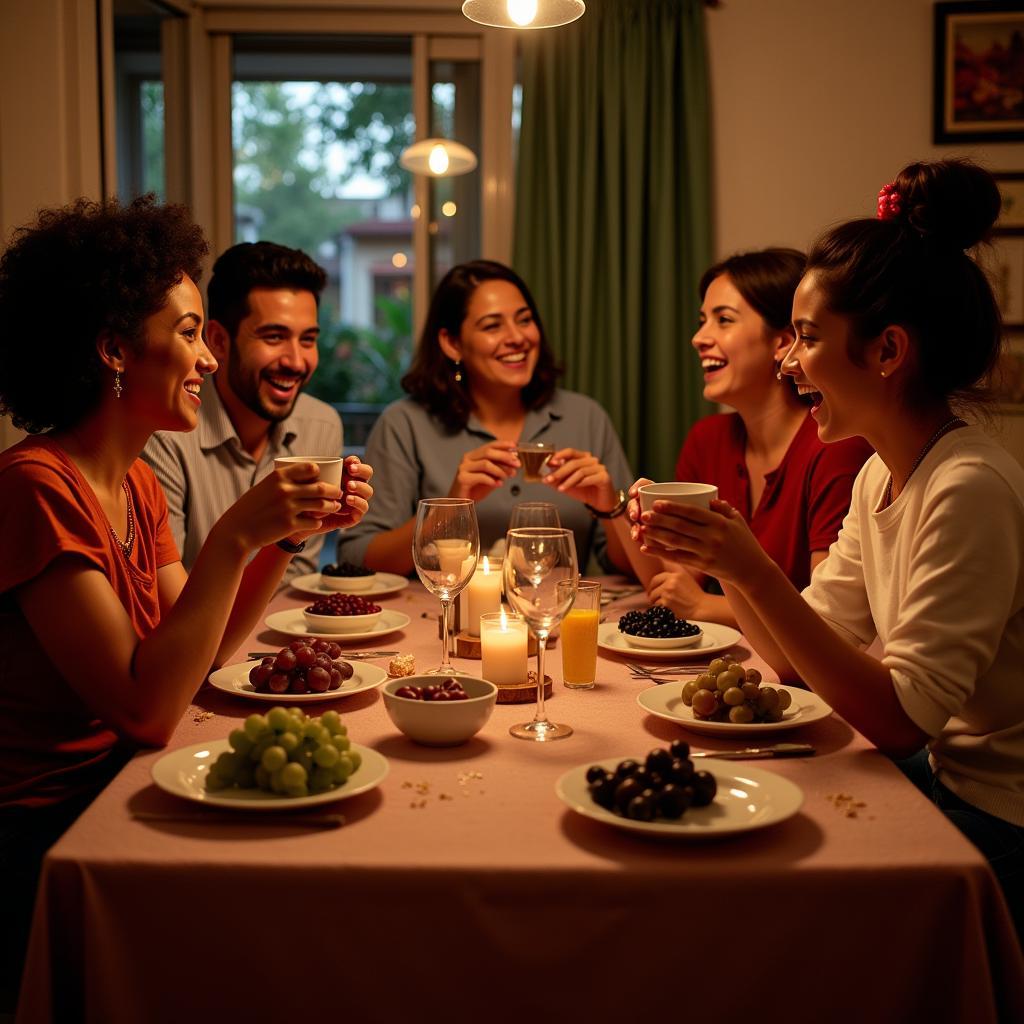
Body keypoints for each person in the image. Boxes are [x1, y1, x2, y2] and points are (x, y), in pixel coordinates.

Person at [632, 160, 1024, 929]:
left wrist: (744, 569)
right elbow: (794, 657)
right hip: (938, 778)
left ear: (886, 352)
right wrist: (726, 560)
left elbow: (904, 718)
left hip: (995, 814)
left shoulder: (968, 486)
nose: (786, 361)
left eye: (806, 339)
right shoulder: (883, 475)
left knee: (756, 899)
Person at [0, 196, 373, 1003]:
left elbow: (199, 654)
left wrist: (281, 535)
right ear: (113, 350)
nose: (208, 357)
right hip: (46, 831)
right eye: (188, 331)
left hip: (121, 782)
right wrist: (238, 534)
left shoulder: (131, 478)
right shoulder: (35, 488)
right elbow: (146, 706)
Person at [338, 259, 635, 575]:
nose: (516, 337)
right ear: (452, 344)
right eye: (492, 326)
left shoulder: (585, 417)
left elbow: (633, 565)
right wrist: (448, 508)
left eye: (525, 320)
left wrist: (610, 507)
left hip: (555, 615)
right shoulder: (405, 424)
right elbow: (356, 558)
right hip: (440, 620)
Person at [625, 249, 871, 627]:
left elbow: (830, 616)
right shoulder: (707, 439)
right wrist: (645, 523)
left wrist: (708, 608)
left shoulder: (835, 446)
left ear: (782, 344)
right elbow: (676, 588)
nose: (697, 338)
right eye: (702, 320)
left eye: (723, 320)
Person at [143, 241, 343, 586]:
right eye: (274, 336)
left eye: (308, 340)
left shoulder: (322, 426)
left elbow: (294, 582)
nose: (296, 361)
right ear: (218, 341)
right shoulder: (163, 434)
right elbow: (167, 601)